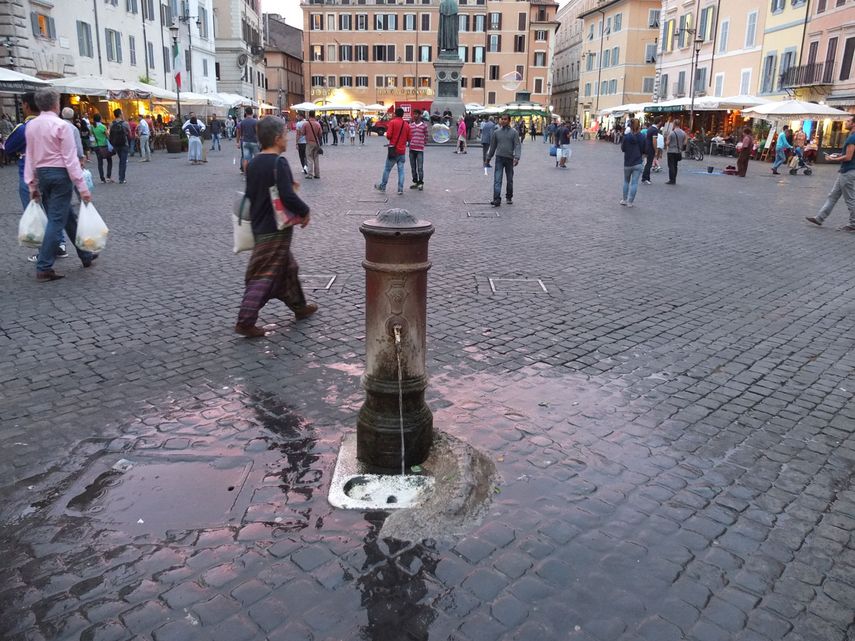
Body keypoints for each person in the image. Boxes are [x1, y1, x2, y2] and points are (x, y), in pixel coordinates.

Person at [235, 116, 315, 337]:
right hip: (275, 228)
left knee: (289, 268)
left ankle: (300, 307)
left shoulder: (253, 163)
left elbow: (253, 193)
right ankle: (245, 320)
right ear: (278, 137)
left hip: (260, 224)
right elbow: (288, 197)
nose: (287, 139)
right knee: (263, 275)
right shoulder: (278, 162)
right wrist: (304, 211)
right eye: (285, 135)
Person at [24, 88, 96, 281]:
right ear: (56, 104)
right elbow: (70, 159)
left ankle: (85, 255)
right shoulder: (61, 126)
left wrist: (32, 185)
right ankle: (44, 266)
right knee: (57, 220)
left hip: (43, 174)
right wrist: (82, 188)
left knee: (67, 216)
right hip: (60, 174)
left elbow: (29, 157)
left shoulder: (31, 126)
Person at [805, 115, 855, 232]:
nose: (845, 123)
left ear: (853, 124)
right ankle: (820, 217)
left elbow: (848, 157)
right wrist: (837, 155)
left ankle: (853, 223)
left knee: (850, 199)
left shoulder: (852, 138)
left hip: (848, 171)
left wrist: (833, 159)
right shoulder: (851, 137)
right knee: (833, 195)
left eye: (848, 121)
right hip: (845, 171)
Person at [4, 92, 39, 210]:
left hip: (28, 175)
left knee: (33, 214)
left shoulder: (23, 128)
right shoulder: (54, 124)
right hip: (52, 173)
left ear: (26, 105)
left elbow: (8, 147)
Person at [485, 114, 521, 207]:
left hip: (509, 158)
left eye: (505, 119)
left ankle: (509, 196)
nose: (503, 121)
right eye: (502, 119)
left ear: (509, 120)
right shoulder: (496, 133)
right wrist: (488, 158)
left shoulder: (514, 132)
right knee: (497, 179)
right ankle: (496, 199)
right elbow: (492, 147)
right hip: (499, 158)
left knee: (509, 179)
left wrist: (517, 157)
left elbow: (517, 145)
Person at [374, 107, 411, 195]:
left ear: (395, 114)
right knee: (401, 171)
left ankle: (383, 186)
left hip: (393, 150)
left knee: (387, 169)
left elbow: (388, 136)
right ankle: (400, 189)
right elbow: (409, 138)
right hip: (402, 151)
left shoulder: (392, 122)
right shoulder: (406, 124)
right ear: (403, 115)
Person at [620, 118, 644, 208]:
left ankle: (624, 200)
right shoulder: (642, 137)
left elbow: (623, 149)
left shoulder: (627, 137)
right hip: (637, 162)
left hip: (628, 162)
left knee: (626, 181)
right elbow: (644, 149)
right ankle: (630, 202)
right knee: (634, 183)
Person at [109, 108, 130, 184]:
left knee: (121, 159)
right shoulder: (125, 123)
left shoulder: (111, 124)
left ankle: (121, 177)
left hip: (116, 145)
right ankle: (122, 178)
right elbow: (129, 133)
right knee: (123, 161)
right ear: (120, 114)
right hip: (124, 144)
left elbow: (109, 134)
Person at [408, 108, 428, 190]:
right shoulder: (411, 126)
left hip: (419, 150)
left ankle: (420, 183)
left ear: (419, 115)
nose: (414, 115)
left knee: (420, 167)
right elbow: (408, 136)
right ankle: (415, 182)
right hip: (412, 149)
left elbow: (426, 136)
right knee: (413, 167)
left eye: (416, 114)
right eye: (414, 114)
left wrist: (423, 143)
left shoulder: (424, 126)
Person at [237, 106, 259, 174]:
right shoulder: (255, 122)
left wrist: (237, 142)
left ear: (245, 113)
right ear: (252, 113)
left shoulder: (242, 122)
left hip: (245, 142)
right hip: (254, 142)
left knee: (246, 159)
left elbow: (239, 133)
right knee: (256, 158)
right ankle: (256, 173)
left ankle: (246, 175)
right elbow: (257, 132)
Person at [90, 113, 112, 183]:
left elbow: (91, 135)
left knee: (100, 163)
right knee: (109, 161)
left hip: (97, 146)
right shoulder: (103, 127)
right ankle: (108, 176)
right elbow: (108, 136)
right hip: (104, 145)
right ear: (100, 119)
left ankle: (102, 178)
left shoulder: (92, 127)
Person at [664, 118, 686, 185]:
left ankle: (672, 179)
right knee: (675, 165)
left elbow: (667, 143)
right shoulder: (683, 133)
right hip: (678, 151)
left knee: (671, 166)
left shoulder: (671, 133)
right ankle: (674, 179)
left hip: (671, 151)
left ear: (674, 124)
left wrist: (666, 139)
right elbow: (685, 143)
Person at [303, 111, 323, 179]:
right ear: (314, 115)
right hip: (316, 143)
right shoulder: (317, 124)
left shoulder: (306, 124)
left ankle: (310, 174)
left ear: (309, 115)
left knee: (309, 158)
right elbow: (320, 134)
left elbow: (303, 133)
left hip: (309, 142)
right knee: (316, 158)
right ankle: (317, 174)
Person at [641, 117, 660, 185]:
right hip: (650, 148)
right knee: (649, 163)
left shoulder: (650, 128)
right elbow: (654, 141)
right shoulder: (655, 130)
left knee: (648, 163)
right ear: (659, 122)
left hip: (647, 147)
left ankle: (646, 177)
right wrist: (656, 150)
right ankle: (645, 178)